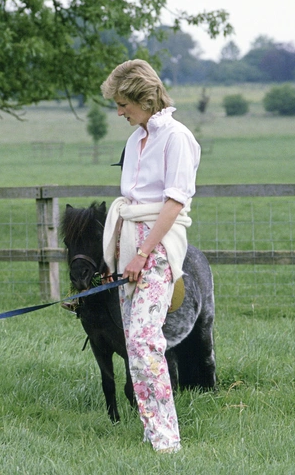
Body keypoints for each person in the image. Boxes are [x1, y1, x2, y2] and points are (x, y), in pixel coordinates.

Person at [100, 59, 201, 453]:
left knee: (145, 339)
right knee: (133, 342)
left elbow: (175, 202)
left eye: (124, 103)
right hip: (128, 241)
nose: (119, 111)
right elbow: (131, 199)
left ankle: (167, 441)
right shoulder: (134, 139)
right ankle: (151, 428)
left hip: (157, 243)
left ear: (144, 96)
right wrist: (118, 254)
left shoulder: (177, 137)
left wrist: (143, 252)